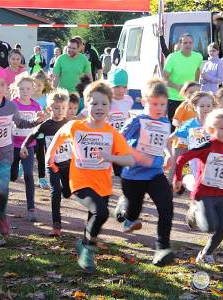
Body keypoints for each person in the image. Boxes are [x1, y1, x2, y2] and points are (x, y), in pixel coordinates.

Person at [45, 81, 152, 273]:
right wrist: (49, 156)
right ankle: (87, 250)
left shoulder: (112, 133)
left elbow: (129, 159)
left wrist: (109, 157)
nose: (99, 108)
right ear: (86, 105)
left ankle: (84, 246)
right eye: (94, 103)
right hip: (79, 182)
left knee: (93, 217)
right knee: (101, 213)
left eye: (104, 104)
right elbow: (59, 136)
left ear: (110, 107)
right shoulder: (75, 126)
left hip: (102, 184)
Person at [0, 66, 45, 247]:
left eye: (2, 84)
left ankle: (1, 214)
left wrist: (36, 121)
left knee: (3, 188)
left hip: (4, 154)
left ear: (7, 87)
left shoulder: (11, 106)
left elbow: (21, 122)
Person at [119, 79, 174, 267]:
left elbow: (165, 141)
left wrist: (168, 155)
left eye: (162, 104)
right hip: (133, 175)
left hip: (155, 173)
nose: (159, 108)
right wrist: (138, 155)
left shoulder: (165, 120)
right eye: (154, 104)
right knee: (133, 214)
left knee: (166, 206)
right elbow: (118, 141)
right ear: (144, 102)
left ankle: (162, 249)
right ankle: (126, 212)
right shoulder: (138, 120)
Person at [174, 108, 223, 264]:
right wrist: (177, 178)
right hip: (203, 194)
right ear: (211, 130)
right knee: (209, 227)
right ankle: (194, 212)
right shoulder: (207, 145)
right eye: (221, 128)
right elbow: (181, 159)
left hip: (221, 194)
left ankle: (205, 254)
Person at [21, 88, 71, 236]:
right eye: (56, 108)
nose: (60, 111)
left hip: (68, 164)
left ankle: (65, 190)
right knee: (55, 192)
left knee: (67, 193)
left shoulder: (69, 124)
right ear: (50, 108)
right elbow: (32, 134)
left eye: (63, 108)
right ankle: (56, 225)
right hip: (52, 165)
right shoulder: (46, 125)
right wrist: (24, 145)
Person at [10, 74, 41, 222]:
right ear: (16, 89)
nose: (24, 91)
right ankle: (14, 173)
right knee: (12, 176)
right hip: (12, 145)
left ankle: (31, 208)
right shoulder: (12, 104)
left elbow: (39, 126)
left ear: (33, 89)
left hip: (28, 146)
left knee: (29, 174)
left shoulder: (36, 106)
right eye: (21, 88)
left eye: (28, 88)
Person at [173, 91, 216, 179]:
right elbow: (170, 139)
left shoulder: (217, 123)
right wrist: (169, 155)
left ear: (213, 107)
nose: (206, 108)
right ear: (195, 107)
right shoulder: (189, 124)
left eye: (208, 106)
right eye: (202, 106)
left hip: (215, 160)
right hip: (196, 162)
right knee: (199, 185)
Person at [163, 33, 203, 126]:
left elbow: (197, 71)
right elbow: (164, 79)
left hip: (190, 99)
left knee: (191, 127)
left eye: (190, 43)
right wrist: (178, 87)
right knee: (174, 126)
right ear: (180, 44)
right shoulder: (172, 57)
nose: (188, 45)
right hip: (174, 98)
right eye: (185, 43)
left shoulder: (198, 57)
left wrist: (196, 85)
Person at [167, 81, 199, 184]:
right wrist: (182, 126)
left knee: (193, 164)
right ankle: (169, 185)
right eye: (190, 92)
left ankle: (184, 183)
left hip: (194, 141)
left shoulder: (199, 107)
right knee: (175, 164)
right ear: (184, 93)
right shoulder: (184, 106)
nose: (193, 95)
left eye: (196, 92)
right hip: (180, 141)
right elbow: (175, 120)